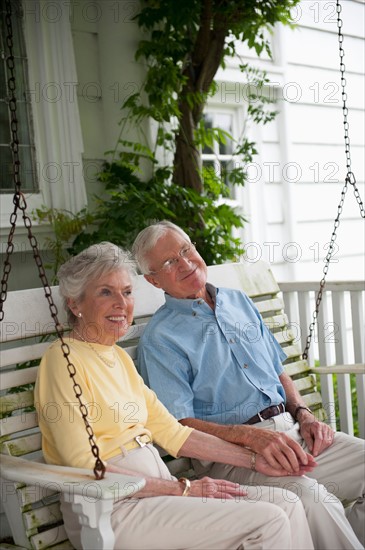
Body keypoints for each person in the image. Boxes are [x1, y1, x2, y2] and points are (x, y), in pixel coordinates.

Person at [35, 242, 315, 550]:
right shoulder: (63, 360)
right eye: (106, 292)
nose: (121, 303)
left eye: (127, 292)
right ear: (76, 303)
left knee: (287, 502)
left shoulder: (117, 358)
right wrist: (183, 488)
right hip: (110, 509)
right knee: (269, 520)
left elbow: (174, 433)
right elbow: (85, 465)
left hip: (158, 496)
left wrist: (252, 460)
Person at [133, 220, 365, 550]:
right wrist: (249, 436)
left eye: (186, 250)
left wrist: (304, 414)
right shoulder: (161, 339)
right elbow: (178, 424)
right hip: (235, 457)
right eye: (170, 262)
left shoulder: (238, 300)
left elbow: (277, 371)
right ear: (153, 280)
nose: (185, 263)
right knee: (314, 500)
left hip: (294, 434)